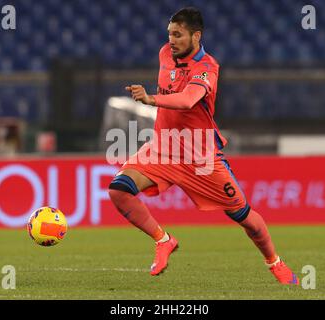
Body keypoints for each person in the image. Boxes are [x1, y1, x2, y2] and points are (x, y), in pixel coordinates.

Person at [108, 7, 299, 284]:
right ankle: (164, 240)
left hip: (200, 156)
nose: (171, 40)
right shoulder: (165, 54)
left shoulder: (208, 67)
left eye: (178, 34)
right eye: (169, 34)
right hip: (164, 148)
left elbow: (187, 100)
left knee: (244, 216)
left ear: (196, 35)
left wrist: (150, 99)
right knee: (119, 190)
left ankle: (275, 263)